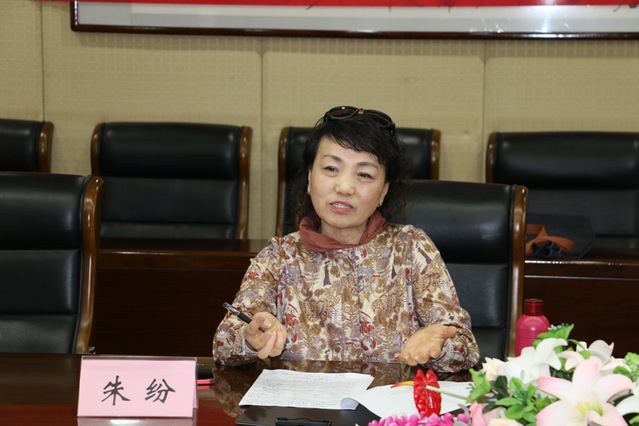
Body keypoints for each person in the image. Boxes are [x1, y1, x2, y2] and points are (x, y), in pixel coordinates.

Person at [213, 106, 480, 372]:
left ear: (383, 191)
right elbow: (223, 345)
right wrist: (249, 337)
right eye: (331, 168)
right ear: (309, 179)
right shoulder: (279, 256)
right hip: (306, 400)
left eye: (364, 174)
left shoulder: (410, 247)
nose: (344, 187)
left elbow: (467, 348)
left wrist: (439, 346)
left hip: (390, 400)